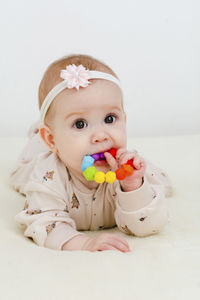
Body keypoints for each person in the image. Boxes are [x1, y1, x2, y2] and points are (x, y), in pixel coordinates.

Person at [10, 54, 173, 253]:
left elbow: (149, 224)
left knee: (159, 182)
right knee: (22, 170)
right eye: (80, 124)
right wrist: (85, 243)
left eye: (110, 119)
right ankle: (38, 135)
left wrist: (133, 187)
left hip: (122, 175)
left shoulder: (125, 170)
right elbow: (44, 224)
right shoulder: (48, 177)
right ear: (52, 140)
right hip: (41, 155)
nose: (100, 136)